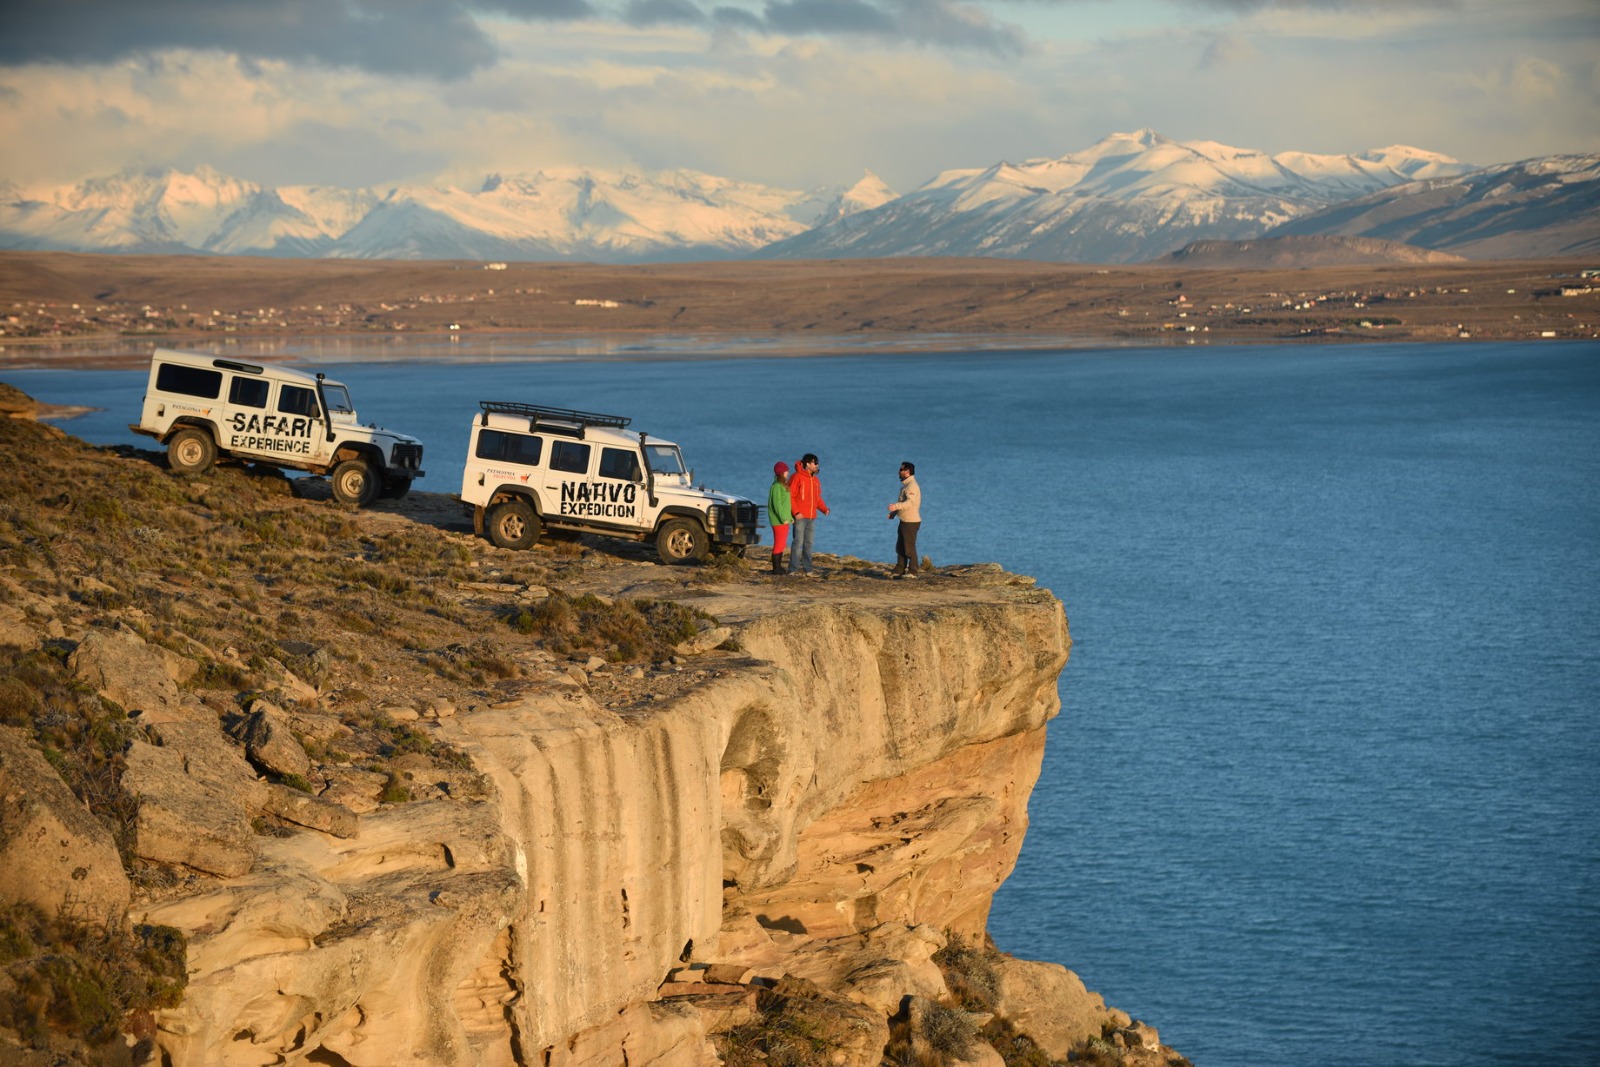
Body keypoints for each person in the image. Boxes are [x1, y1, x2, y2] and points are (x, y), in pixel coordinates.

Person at [788, 453, 829, 577]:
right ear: (807, 464)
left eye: (817, 462)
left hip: (812, 517)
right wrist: (796, 512)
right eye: (815, 462)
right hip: (800, 517)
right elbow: (790, 497)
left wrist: (824, 509)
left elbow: (817, 499)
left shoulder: (815, 480)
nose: (817, 465)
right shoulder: (796, 477)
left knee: (808, 544)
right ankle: (792, 570)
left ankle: (808, 569)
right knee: (798, 543)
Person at [887, 461, 921, 578]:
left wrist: (895, 506)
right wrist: (894, 513)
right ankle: (899, 569)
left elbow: (909, 503)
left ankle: (913, 571)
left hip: (911, 522)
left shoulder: (912, 486)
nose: (898, 472)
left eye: (901, 470)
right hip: (904, 520)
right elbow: (903, 502)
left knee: (908, 547)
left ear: (907, 472)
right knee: (900, 547)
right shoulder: (906, 485)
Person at [768, 461, 792, 575]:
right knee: (779, 543)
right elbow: (777, 505)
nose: (788, 472)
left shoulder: (782, 485)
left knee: (782, 543)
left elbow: (786, 504)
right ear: (781, 472)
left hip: (784, 520)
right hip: (778, 520)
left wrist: (790, 517)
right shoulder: (776, 486)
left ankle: (778, 567)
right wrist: (783, 518)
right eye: (786, 470)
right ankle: (776, 568)